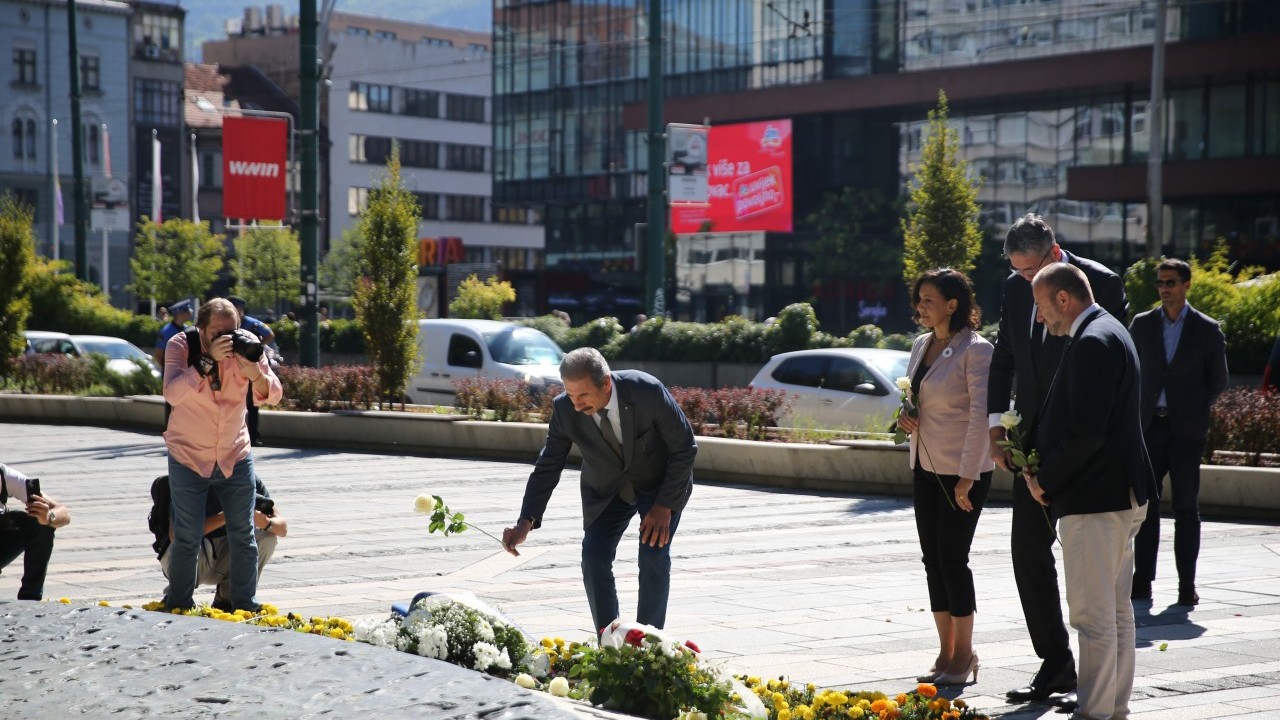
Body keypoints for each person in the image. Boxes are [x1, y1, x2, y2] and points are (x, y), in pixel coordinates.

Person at [986, 213, 1128, 706]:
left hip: (1079, 451)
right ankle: (1056, 664)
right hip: (1028, 444)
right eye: (1016, 272)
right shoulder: (1010, 290)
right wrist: (995, 426)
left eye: (1030, 274)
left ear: (1053, 254)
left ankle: (1100, 691)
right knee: (1027, 552)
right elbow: (1005, 357)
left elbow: (1108, 375)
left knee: (1092, 576)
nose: (1024, 284)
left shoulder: (1101, 285)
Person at [1023, 262, 1156, 720]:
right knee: (1116, 614)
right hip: (1119, 495)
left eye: (1041, 306)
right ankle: (1112, 709)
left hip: (1097, 500)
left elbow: (1085, 431)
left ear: (1064, 299)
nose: (1040, 318)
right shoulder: (1109, 330)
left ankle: (1096, 713)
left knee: (1093, 618)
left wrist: (1045, 479)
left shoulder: (1094, 341)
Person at [501, 347, 696, 634]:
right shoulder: (565, 410)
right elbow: (548, 465)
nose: (576, 405)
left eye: (583, 396)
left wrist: (664, 505)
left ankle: (650, 645)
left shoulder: (647, 391)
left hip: (659, 485)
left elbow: (685, 448)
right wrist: (525, 521)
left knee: (653, 555)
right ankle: (610, 642)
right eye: (570, 395)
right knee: (593, 557)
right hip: (607, 490)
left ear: (606, 383)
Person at [896, 269, 994, 686]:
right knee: (933, 561)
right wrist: (906, 415)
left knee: (954, 561)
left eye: (928, 300)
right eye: (919, 299)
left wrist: (968, 477)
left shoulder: (977, 350)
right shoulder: (921, 345)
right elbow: (919, 398)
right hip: (925, 466)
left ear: (953, 304)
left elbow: (979, 418)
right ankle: (945, 651)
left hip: (962, 473)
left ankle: (965, 653)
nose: (920, 307)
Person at [163, 298, 282, 611]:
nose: (228, 338)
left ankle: (244, 604)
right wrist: (206, 361)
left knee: (244, 533)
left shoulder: (247, 347)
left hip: (234, 453)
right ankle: (179, 605)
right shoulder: (182, 344)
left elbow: (274, 394)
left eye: (233, 330)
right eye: (219, 332)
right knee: (187, 537)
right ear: (202, 328)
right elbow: (172, 393)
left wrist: (254, 372)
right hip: (188, 454)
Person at [1130, 259, 1228, 606]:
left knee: (1186, 507)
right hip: (1149, 427)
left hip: (1186, 430)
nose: (1164, 289)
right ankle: (1142, 581)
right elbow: (1130, 371)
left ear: (1186, 285)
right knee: (1146, 507)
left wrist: (1194, 407)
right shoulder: (1141, 325)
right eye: (1160, 283)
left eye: (1170, 283)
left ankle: (1187, 584)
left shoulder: (1206, 328)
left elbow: (1219, 379)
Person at [150, 473, 287, 611]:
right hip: (188, 556)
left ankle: (227, 599)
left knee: (267, 537)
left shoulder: (247, 476)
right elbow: (176, 535)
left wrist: (266, 523)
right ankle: (177, 599)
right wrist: (227, 515)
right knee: (188, 541)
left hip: (224, 552)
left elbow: (282, 528)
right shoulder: (189, 476)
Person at [0, 463, 72, 600]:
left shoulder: (6, 476)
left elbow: (64, 514)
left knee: (39, 522)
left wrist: (48, 517)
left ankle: (30, 598)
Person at [228, 296, 278, 447]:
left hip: (250, 367)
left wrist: (256, 346)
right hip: (231, 368)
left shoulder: (251, 323)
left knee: (252, 403)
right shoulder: (227, 324)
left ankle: (254, 436)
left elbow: (269, 333)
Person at [154, 299, 192, 367]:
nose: (190, 313)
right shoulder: (166, 331)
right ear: (180, 314)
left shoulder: (188, 329)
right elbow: (158, 355)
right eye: (187, 311)